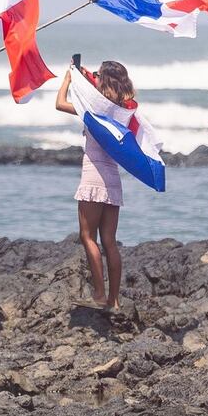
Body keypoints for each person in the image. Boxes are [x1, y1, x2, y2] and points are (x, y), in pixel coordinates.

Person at [55, 58, 133, 309]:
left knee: (88, 236)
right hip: (112, 177)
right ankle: (115, 300)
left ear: (105, 80)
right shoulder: (123, 111)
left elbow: (59, 104)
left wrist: (69, 78)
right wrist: (87, 76)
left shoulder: (92, 110)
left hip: (92, 175)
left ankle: (99, 294)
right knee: (110, 240)